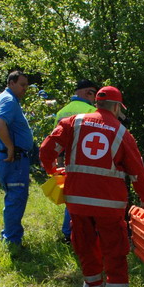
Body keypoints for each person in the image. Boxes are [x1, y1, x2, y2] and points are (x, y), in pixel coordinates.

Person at [40, 86, 144, 287]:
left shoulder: (73, 122)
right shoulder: (122, 132)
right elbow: (138, 174)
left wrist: (53, 170)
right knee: (115, 253)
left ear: (97, 104)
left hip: (77, 202)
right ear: (117, 107)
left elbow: (46, 150)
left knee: (85, 249)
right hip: (109, 205)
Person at [0, 71, 33, 246]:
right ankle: (12, 241)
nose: (25, 89)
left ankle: (9, 236)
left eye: (26, 85)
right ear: (11, 83)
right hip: (14, 159)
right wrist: (9, 147)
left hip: (7, 157)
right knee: (16, 198)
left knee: (13, 197)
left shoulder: (0, 99)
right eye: (22, 85)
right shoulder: (8, 100)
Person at [53, 79, 98, 242]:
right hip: (88, 162)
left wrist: (59, 164)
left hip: (69, 163)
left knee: (71, 199)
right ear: (88, 92)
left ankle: (67, 233)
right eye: (93, 94)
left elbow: (56, 142)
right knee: (89, 200)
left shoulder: (61, 112)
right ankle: (86, 234)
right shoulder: (92, 111)